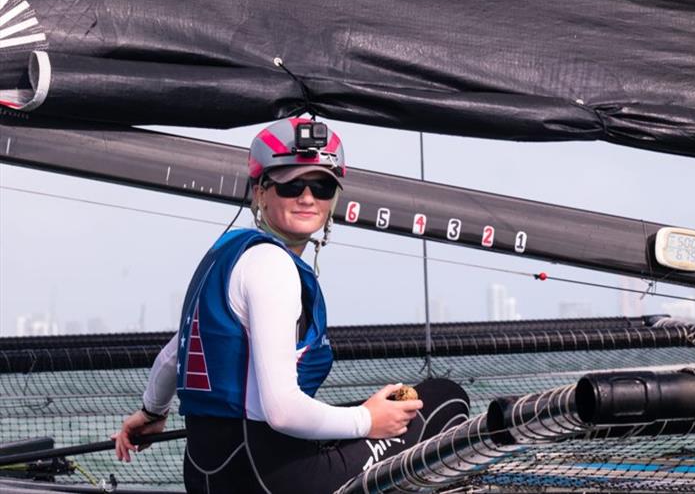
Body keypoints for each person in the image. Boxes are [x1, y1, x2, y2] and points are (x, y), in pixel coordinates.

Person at [113, 118, 470, 493]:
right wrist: (368, 420)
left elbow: (174, 356)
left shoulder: (226, 254)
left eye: (322, 185)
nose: (306, 197)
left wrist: (152, 413)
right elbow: (281, 410)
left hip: (205, 474)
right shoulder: (273, 265)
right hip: (267, 478)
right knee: (443, 397)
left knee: (389, 406)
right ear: (260, 192)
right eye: (290, 184)